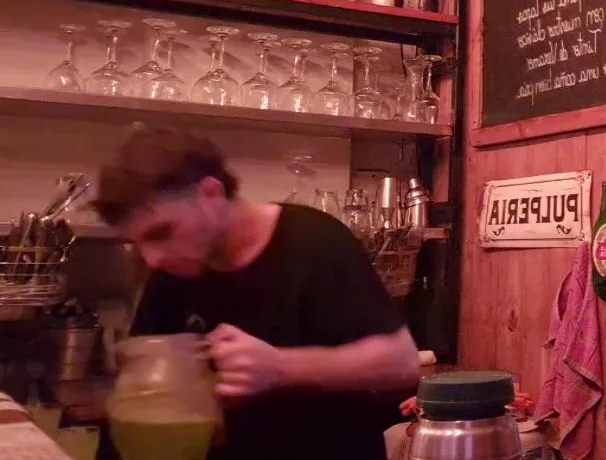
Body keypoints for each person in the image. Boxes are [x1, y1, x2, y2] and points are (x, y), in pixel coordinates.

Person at [92, 126, 419, 460]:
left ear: (210, 193)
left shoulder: (315, 243)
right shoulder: (172, 271)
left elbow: (401, 362)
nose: (152, 258)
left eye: (162, 232)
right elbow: (142, 384)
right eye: (137, 243)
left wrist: (280, 366)